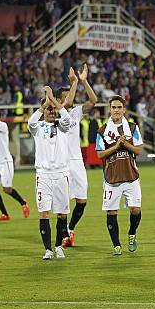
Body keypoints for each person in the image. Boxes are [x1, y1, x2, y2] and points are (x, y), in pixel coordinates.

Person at [28, 87, 72, 260]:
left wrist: (54, 101)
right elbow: (30, 123)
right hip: (44, 175)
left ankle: (58, 246)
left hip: (62, 174)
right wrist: (45, 103)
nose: (52, 111)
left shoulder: (63, 126)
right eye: (48, 109)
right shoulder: (37, 127)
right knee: (44, 212)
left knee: (61, 213)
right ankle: (47, 249)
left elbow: (67, 118)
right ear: (43, 111)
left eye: (53, 109)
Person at [96, 95, 143, 255]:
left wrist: (126, 144)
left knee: (135, 210)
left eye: (119, 107)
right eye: (113, 107)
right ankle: (116, 245)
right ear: (110, 109)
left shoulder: (132, 127)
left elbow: (138, 150)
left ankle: (131, 233)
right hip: (112, 178)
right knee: (111, 212)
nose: (116, 110)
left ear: (124, 109)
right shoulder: (102, 131)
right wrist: (117, 146)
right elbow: (100, 154)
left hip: (131, 176)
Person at [58, 65, 97, 247]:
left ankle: (70, 229)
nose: (68, 98)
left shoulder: (75, 113)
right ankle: (62, 238)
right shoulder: (55, 114)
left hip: (76, 162)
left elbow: (93, 100)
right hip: (61, 164)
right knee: (63, 204)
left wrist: (83, 81)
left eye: (69, 94)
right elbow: (65, 104)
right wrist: (73, 82)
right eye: (64, 96)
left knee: (82, 201)